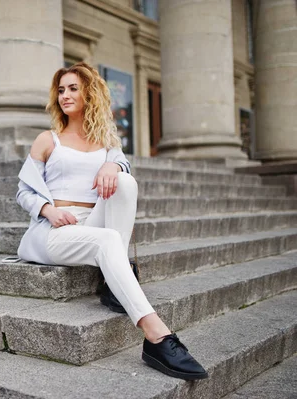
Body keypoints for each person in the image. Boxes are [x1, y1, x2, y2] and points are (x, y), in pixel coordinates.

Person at [16, 62, 208, 381]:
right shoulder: (48, 140)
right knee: (107, 240)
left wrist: (114, 167)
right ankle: (156, 335)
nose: (65, 95)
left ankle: (113, 283)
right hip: (53, 229)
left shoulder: (107, 141)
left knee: (126, 182)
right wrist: (48, 210)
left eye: (73, 88)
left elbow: (121, 166)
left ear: (89, 93)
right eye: (61, 89)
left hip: (89, 222)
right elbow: (23, 191)